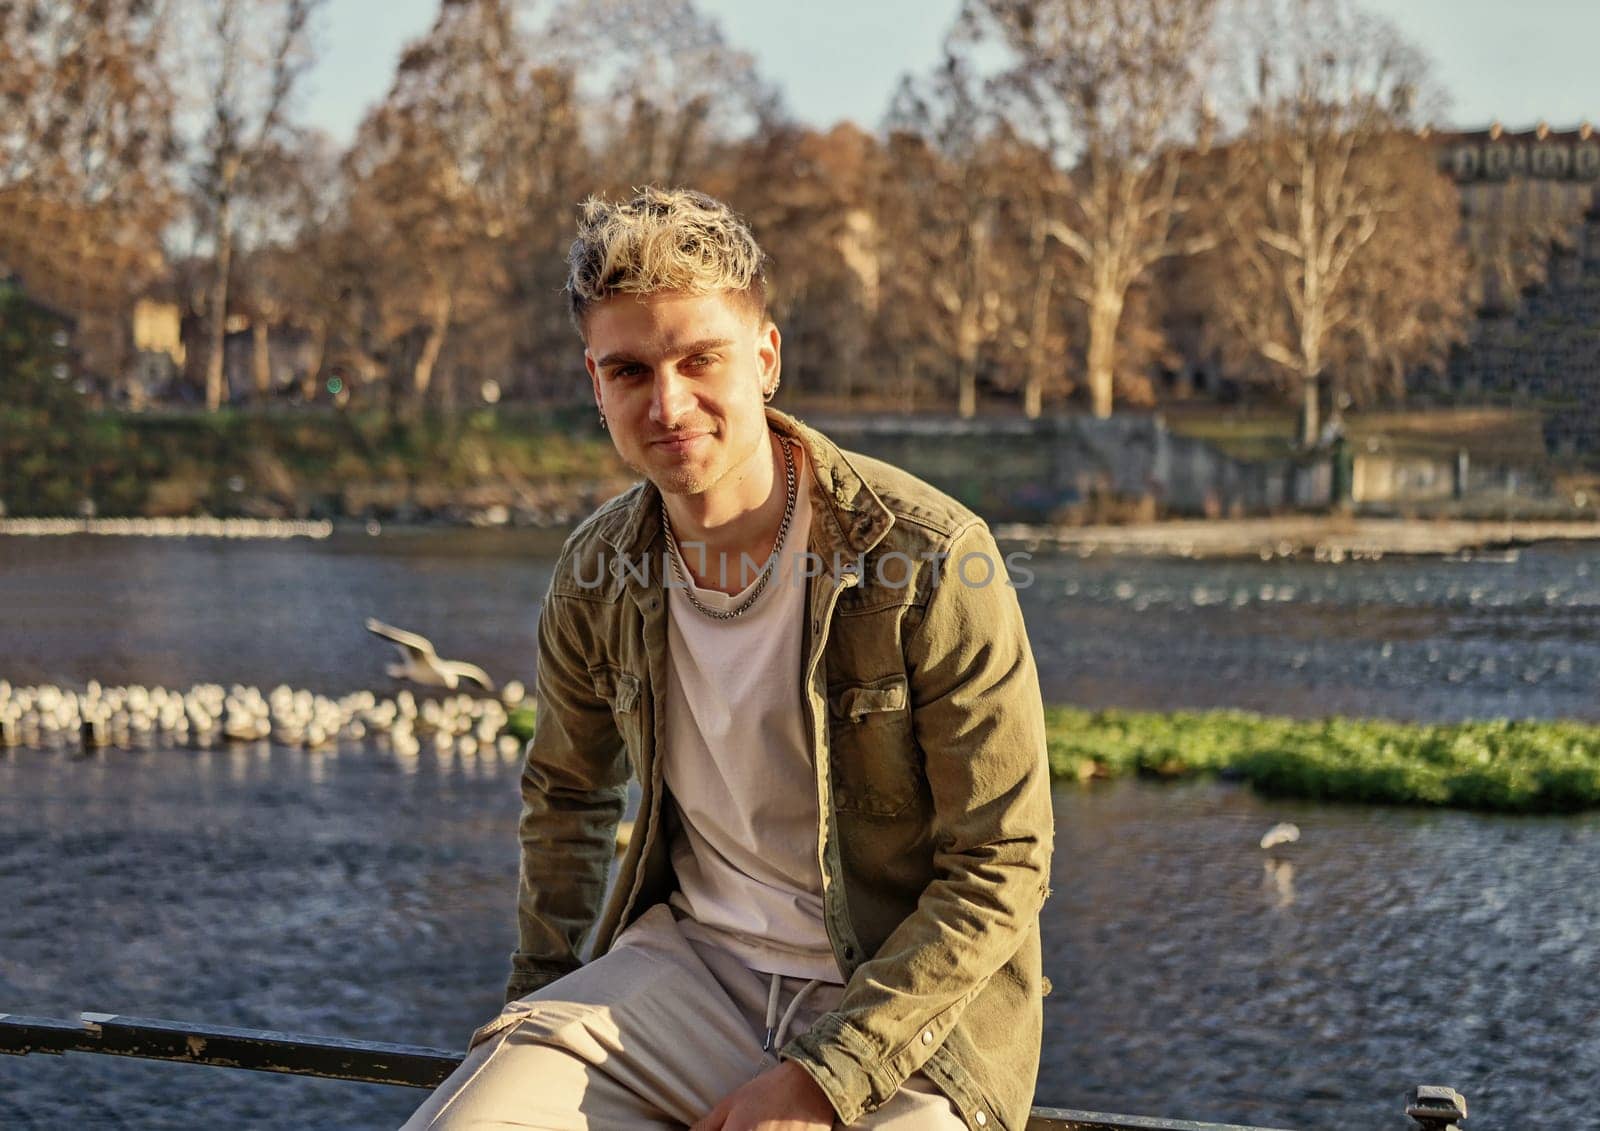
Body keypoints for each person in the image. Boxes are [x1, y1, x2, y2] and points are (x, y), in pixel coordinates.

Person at [402, 188, 1053, 1131]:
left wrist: (824, 1079)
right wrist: (536, 1004)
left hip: (907, 1012)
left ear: (766, 358)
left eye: (698, 359)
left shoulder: (934, 557)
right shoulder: (596, 572)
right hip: (691, 972)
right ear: (596, 385)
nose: (668, 404)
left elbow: (1003, 860)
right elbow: (568, 799)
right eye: (629, 370)